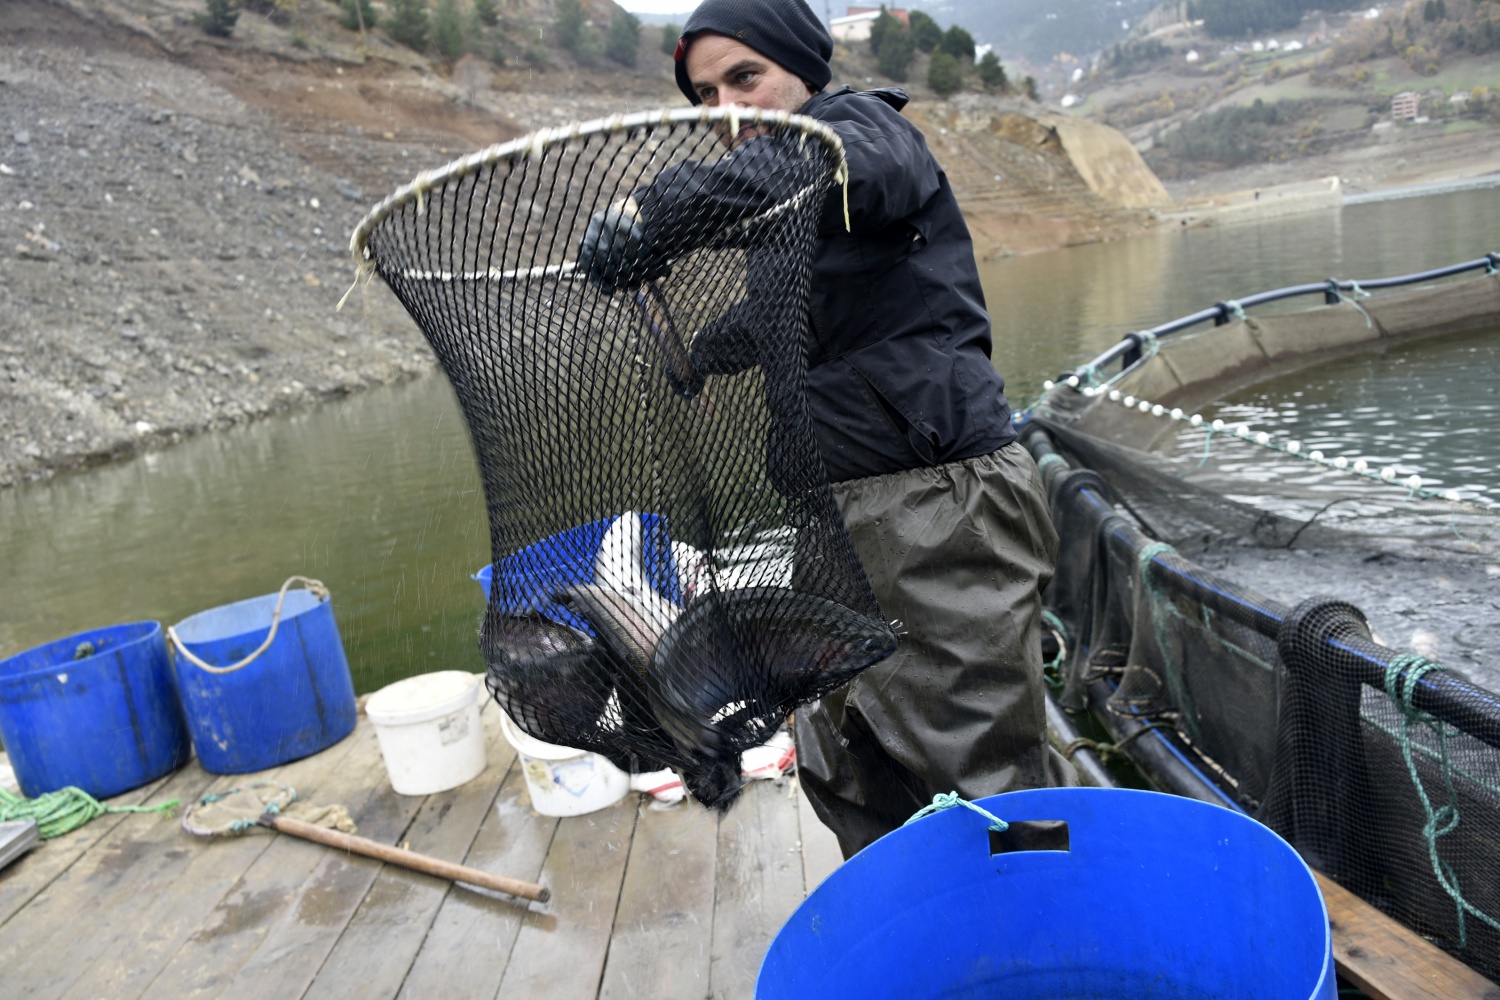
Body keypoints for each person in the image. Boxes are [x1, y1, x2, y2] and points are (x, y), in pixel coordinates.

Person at [580, 0, 1072, 857]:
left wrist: (657, 212)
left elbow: (835, 168)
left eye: (746, 77)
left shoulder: (862, 132)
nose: (725, 111)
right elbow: (778, 313)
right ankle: (910, 938)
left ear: (803, 68)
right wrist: (697, 350)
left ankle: (1044, 941)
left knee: (987, 770)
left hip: (938, 501)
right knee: (848, 757)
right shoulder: (778, 205)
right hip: (833, 516)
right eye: (705, 95)